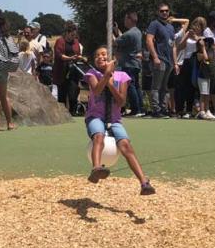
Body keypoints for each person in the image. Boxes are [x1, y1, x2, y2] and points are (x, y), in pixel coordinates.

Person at [84, 47, 155, 195]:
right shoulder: (92, 74)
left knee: (125, 145)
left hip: (115, 119)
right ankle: (96, 168)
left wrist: (110, 82)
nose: (100, 57)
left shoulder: (122, 76)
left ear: (112, 58)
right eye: (96, 55)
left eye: (103, 54)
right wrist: (105, 76)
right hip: (95, 116)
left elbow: (121, 101)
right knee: (99, 136)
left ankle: (144, 182)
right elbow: (96, 91)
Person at [145, 3, 188, 118]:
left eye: (166, 10)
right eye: (162, 11)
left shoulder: (170, 27)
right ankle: (156, 109)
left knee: (165, 87)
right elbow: (149, 40)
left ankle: (164, 109)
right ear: (158, 12)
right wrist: (155, 57)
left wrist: (175, 63)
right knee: (156, 86)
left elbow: (173, 45)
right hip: (160, 59)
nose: (164, 13)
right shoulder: (154, 24)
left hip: (169, 61)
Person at [113, 12, 143, 117]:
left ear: (130, 20)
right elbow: (123, 37)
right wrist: (117, 31)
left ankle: (135, 109)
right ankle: (140, 109)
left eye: (126, 19)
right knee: (136, 86)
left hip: (128, 63)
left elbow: (115, 42)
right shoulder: (137, 32)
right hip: (136, 64)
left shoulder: (129, 34)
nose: (124, 21)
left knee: (130, 86)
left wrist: (110, 31)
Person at [53, 22, 85, 115]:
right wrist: (70, 58)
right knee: (62, 95)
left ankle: (73, 112)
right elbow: (59, 55)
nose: (73, 37)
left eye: (75, 35)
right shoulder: (60, 41)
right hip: (61, 72)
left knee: (73, 94)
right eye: (72, 35)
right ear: (67, 33)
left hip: (73, 72)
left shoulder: (76, 42)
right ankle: (62, 114)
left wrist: (80, 57)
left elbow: (78, 54)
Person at [172, 18, 200, 118]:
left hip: (197, 61)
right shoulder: (188, 34)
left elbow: (202, 45)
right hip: (187, 61)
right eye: (194, 24)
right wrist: (188, 36)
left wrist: (196, 37)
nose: (195, 27)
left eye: (198, 25)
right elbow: (179, 47)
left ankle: (191, 109)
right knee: (184, 87)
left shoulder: (202, 36)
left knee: (194, 87)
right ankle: (182, 110)